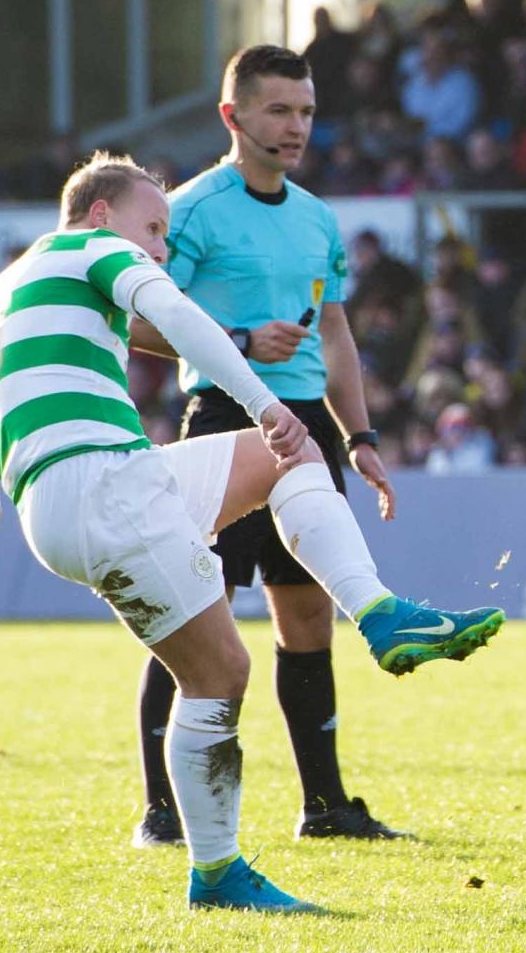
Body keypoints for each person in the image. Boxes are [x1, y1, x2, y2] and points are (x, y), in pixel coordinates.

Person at [0, 153, 502, 912]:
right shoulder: (97, 248)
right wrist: (263, 401)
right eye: (155, 229)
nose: (162, 249)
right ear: (102, 214)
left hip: (62, 500)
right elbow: (175, 316)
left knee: (286, 465)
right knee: (219, 675)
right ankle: (216, 873)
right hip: (106, 483)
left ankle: (379, 614)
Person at [123, 45, 412, 849]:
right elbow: (140, 317)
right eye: (279, 110)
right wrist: (242, 340)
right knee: (190, 615)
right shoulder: (187, 211)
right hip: (222, 419)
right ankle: (162, 812)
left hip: (308, 433)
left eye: (307, 111)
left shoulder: (318, 218)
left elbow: (336, 333)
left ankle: (325, 807)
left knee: (308, 614)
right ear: (233, 117)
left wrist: (358, 435)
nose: (296, 127)